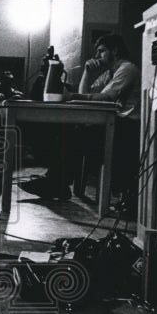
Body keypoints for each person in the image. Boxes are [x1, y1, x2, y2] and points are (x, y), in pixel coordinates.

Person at [20, 35, 140, 207]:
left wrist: (72, 96)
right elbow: (88, 95)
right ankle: (56, 182)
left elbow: (106, 97)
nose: (97, 56)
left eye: (101, 51)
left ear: (114, 50)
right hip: (115, 124)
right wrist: (87, 72)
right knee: (71, 132)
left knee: (75, 136)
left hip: (128, 128)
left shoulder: (126, 69)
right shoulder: (110, 73)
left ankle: (57, 183)